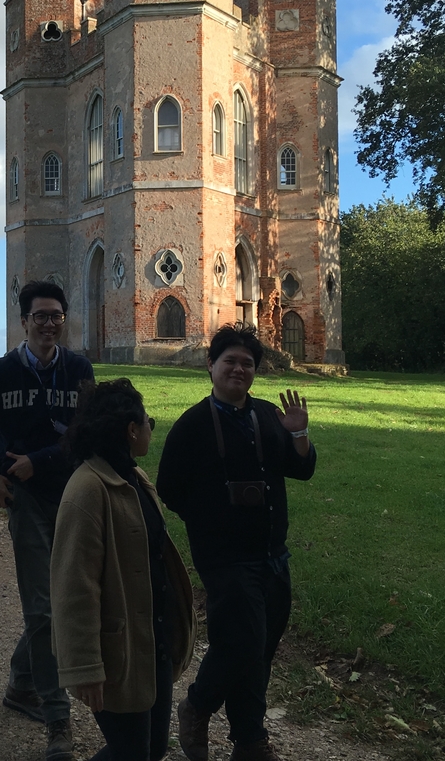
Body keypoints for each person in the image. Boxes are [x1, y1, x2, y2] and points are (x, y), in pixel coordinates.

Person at [0, 279, 94, 761]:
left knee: (61, 603)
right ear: (24, 320)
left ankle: (20, 683)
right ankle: (58, 722)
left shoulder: (78, 370)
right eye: (40, 316)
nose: (49, 324)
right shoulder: (0, 373)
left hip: (72, 498)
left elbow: (86, 434)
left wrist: (42, 459)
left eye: (56, 315)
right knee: (44, 609)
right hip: (27, 503)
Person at [156, 323, 316, 761]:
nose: (239, 369)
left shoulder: (267, 414)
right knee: (242, 641)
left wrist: (299, 434)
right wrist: (211, 520)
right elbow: (169, 488)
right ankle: (198, 705)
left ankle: (249, 740)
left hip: (272, 554)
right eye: (230, 361)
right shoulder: (192, 425)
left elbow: (302, 471)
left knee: (260, 649)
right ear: (211, 366)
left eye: (247, 363)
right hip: (225, 557)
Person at [51, 379, 197, 761]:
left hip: (153, 647)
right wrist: (84, 668)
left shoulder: (135, 478)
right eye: (147, 420)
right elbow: (73, 587)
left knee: (148, 751)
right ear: (131, 430)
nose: (151, 427)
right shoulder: (86, 489)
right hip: (120, 654)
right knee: (132, 752)